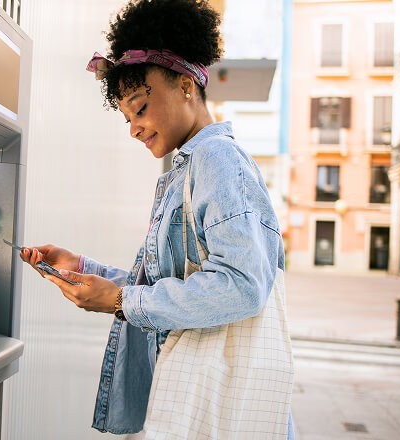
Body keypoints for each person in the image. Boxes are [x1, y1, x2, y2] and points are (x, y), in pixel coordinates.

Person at [19, 0, 295, 438]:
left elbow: (243, 286)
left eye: (141, 107)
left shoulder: (218, 161)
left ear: (186, 85)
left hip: (217, 410)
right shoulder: (186, 170)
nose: (133, 127)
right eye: (127, 117)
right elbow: (179, 283)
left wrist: (120, 301)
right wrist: (86, 270)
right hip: (194, 401)